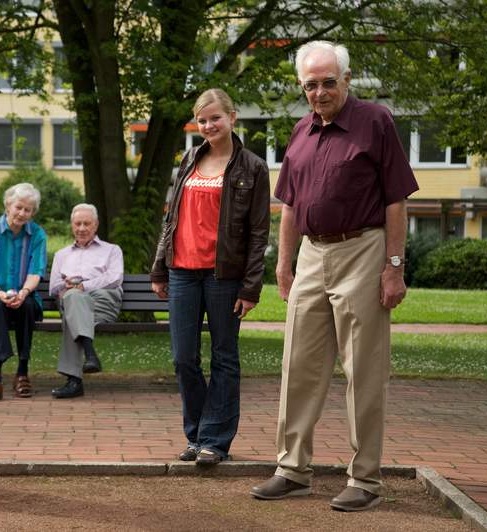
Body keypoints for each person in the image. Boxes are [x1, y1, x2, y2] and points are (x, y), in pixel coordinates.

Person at [249, 41, 418, 512]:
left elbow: (396, 201)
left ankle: (364, 479)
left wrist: (394, 266)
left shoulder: (376, 122)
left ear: (346, 80)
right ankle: (292, 469)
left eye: (327, 82)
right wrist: (282, 264)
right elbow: (287, 205)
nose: (319, 92)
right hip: (310, 254)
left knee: (363, 370)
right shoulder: (301, 130)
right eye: (310, 84)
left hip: (363, 250)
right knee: (297, 366)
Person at [151, 88, 270, 466]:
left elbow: (258, 232)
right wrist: (160, 267)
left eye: (215, 118)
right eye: (202, 120)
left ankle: (214, 442)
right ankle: (197, 434)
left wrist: (251, 287)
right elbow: (170, 220)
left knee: (224, 357)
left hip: (224, 277)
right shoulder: (188, 159)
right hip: (182, 273)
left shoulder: (252, 167)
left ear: (232, 117)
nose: (208, 126)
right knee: (183, 358)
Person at [0, 182, 47, 402]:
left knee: (28, 306)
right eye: (19, 207)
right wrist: (0, 294)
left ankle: (22, 373)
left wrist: (23, 292)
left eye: (28, 210)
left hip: (24, 296)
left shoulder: (37, 234)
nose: (23, 213)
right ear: (8, 205)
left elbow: (36, 272)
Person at [49, 203, 124, 398]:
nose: (81, 228)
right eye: (77, 223)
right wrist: (66, 286)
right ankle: (90, 355)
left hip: (103, 301)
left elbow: (115, 278)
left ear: (96, 225)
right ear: (72, 225)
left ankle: (74, 382)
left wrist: (84, 286)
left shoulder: (112, 250)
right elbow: (53, 286)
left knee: (72, 312)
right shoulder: (61, 255)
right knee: (73, 300)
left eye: (86, 223)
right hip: (71, 301)